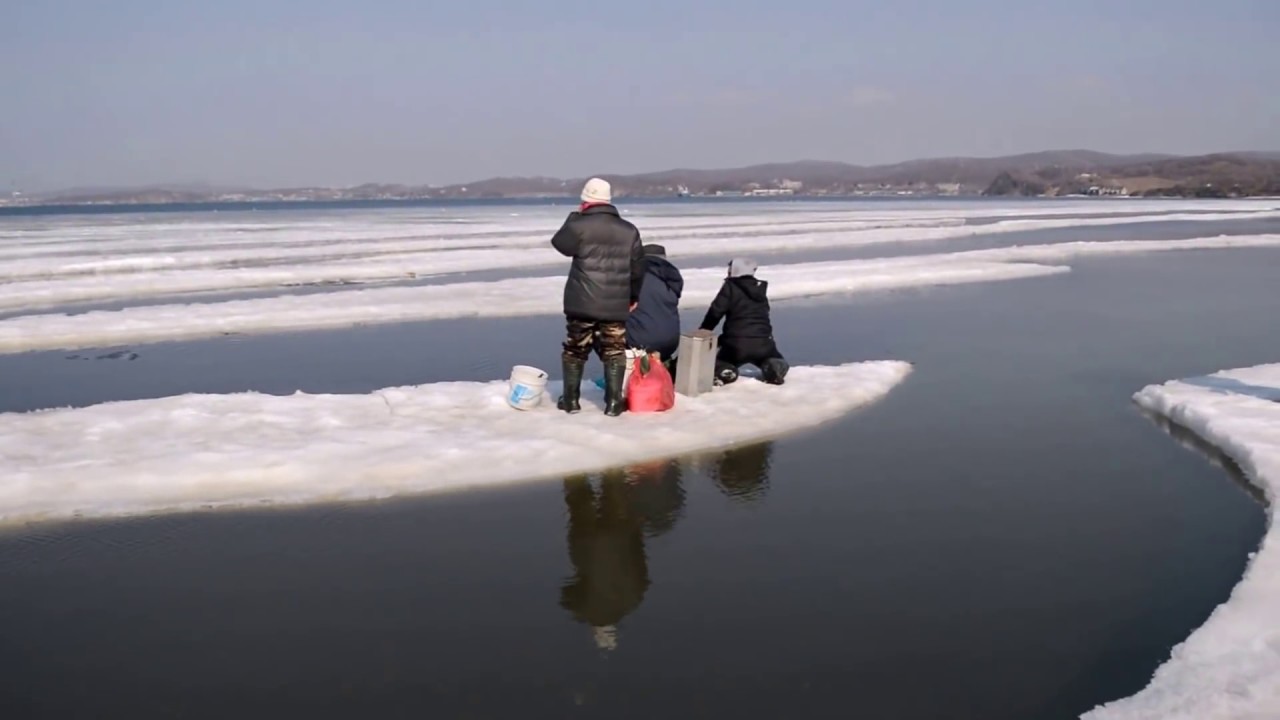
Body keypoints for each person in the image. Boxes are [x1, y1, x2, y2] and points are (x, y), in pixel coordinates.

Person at [551, 177, 645, 416]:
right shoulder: (629, 230)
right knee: (614, 350)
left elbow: (560, 244)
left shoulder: (579, 225)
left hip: (581, 300)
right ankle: (614, 403)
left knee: (575, 349)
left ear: (586, 201)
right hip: (615, 302)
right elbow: (637, 269)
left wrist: (574, 217)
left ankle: (570, 401)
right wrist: (632, 297)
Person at [698, 257, 789, 386]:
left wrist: (704, 330)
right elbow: (764, 315)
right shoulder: (760, 290)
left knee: (718, 362)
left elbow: (715, 311)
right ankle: (774, 368)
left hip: (735, 344)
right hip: (763, 343)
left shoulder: (730, 287)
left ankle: (726, 370)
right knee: (775, 358)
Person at [625, 243, 684, 366]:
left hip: (640, 342)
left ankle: (624, 373)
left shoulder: (633, 276)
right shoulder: (671, 277)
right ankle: (662, 369)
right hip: (671, 343)